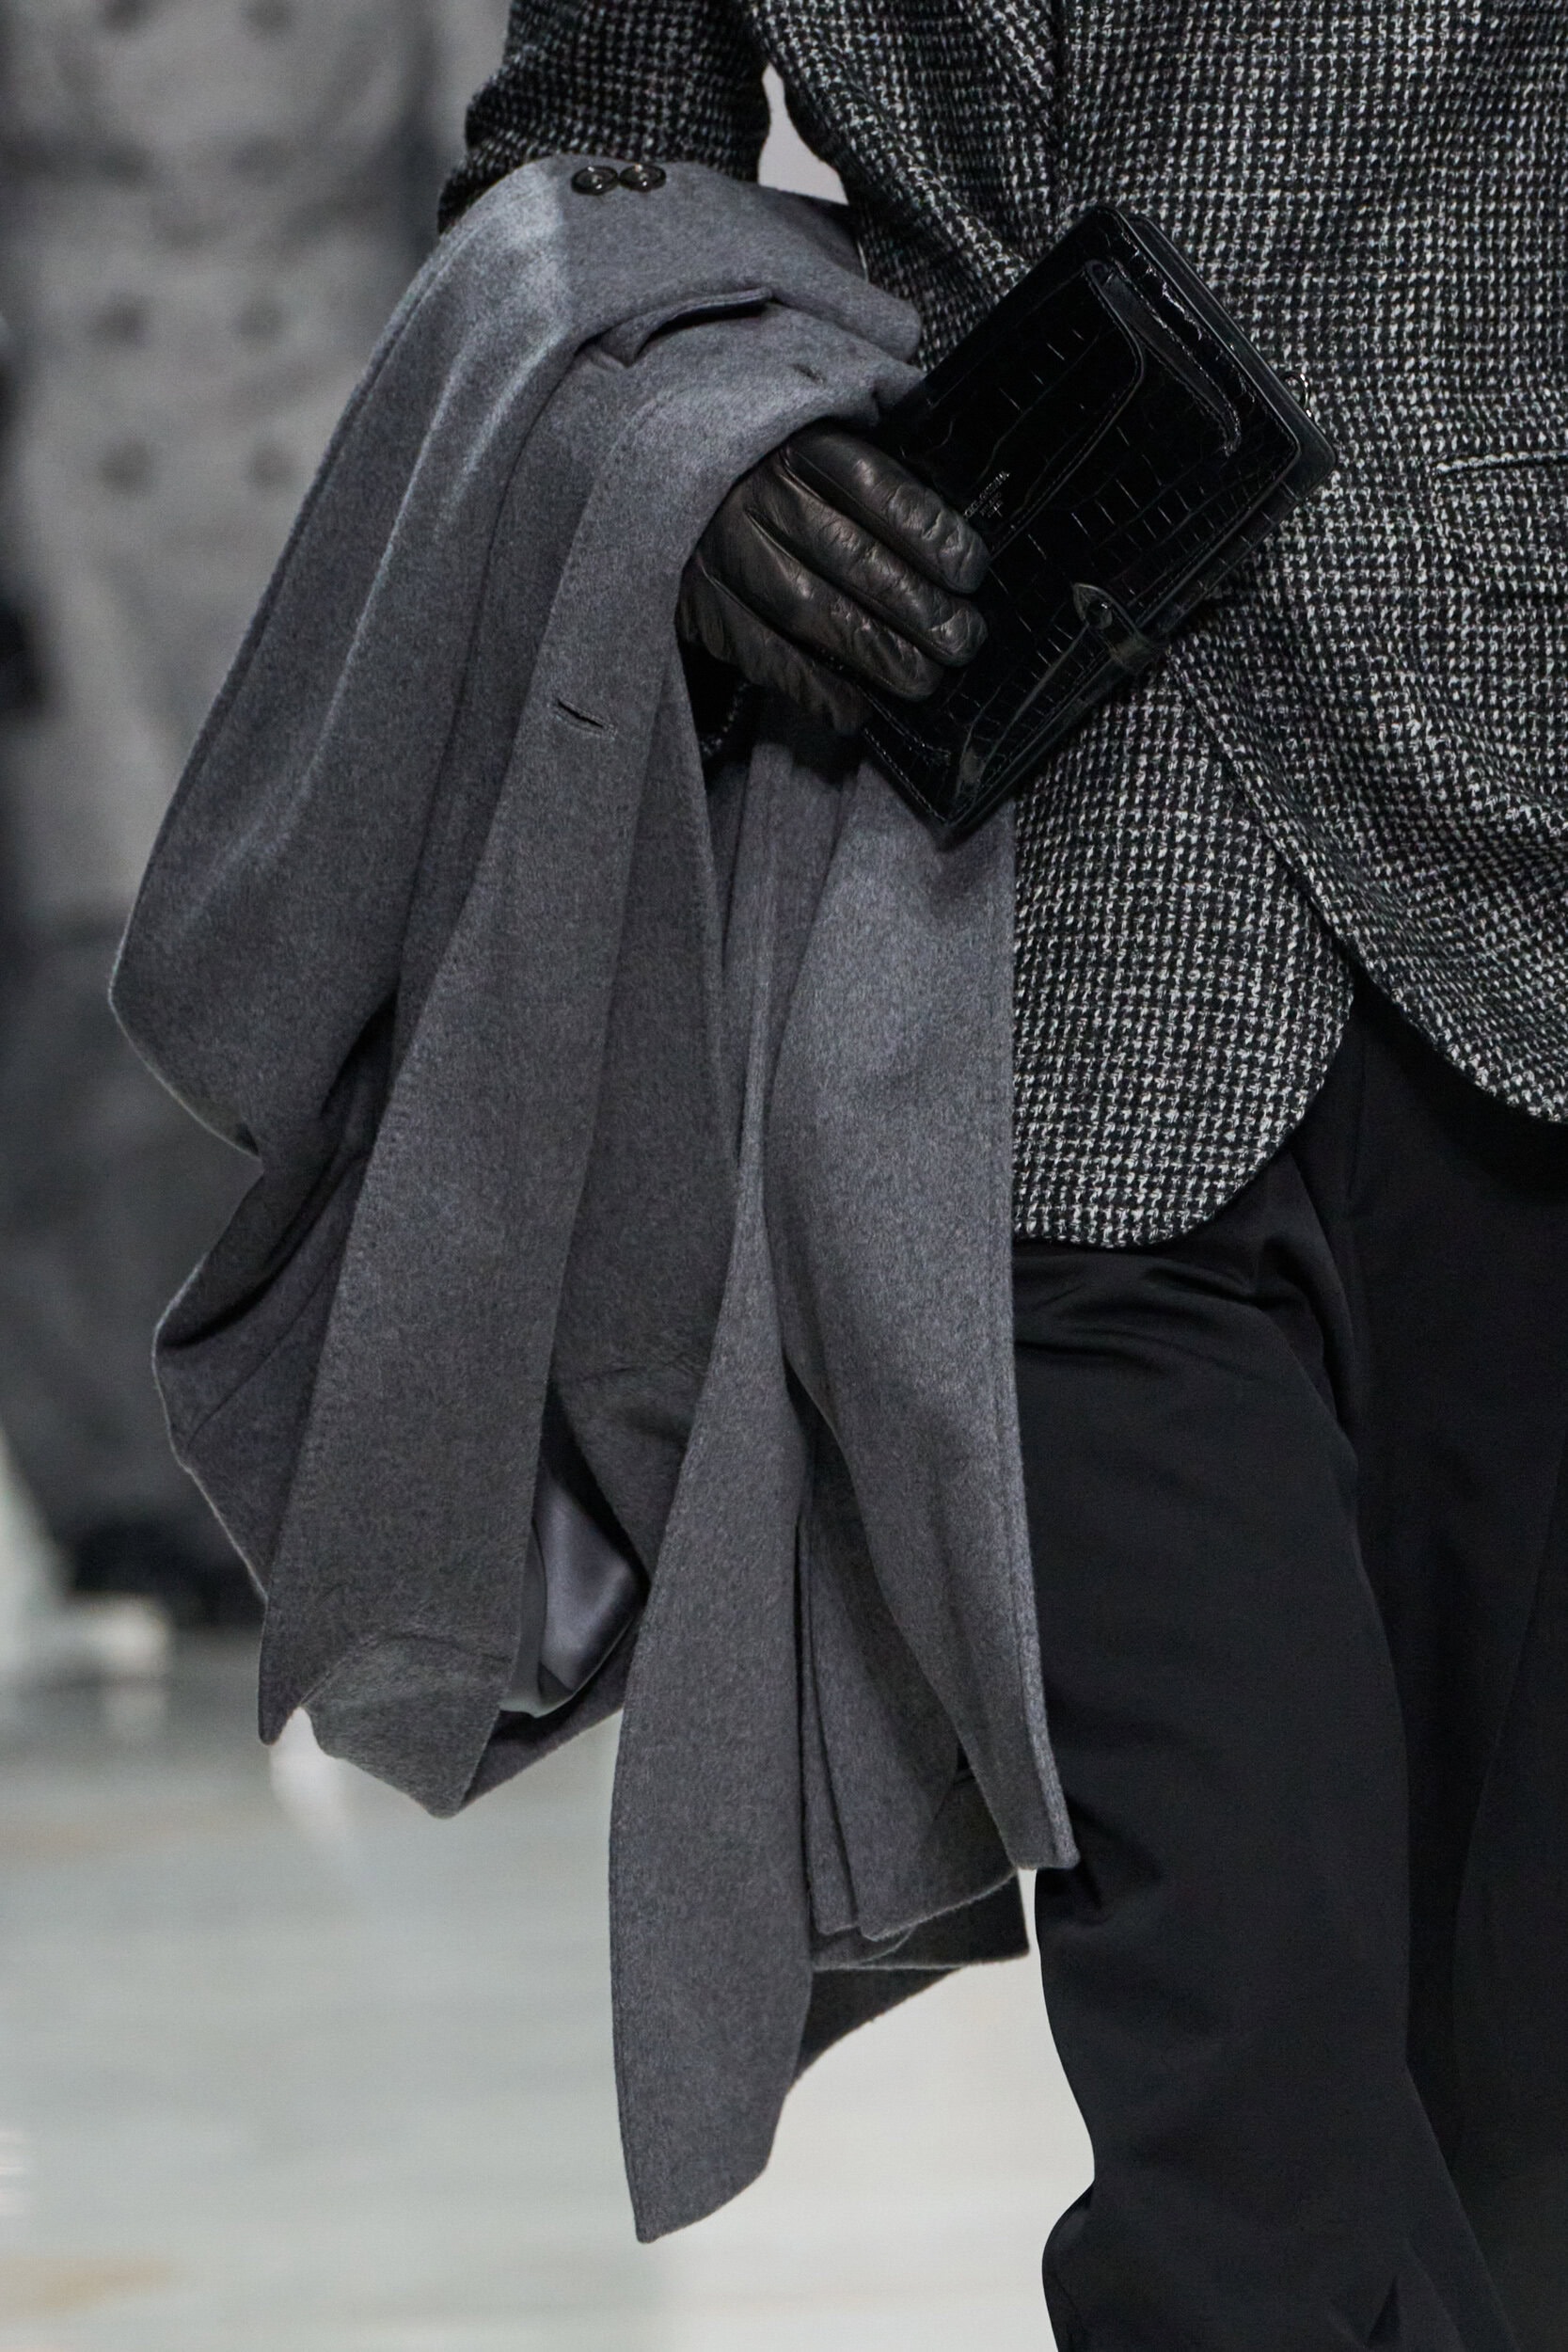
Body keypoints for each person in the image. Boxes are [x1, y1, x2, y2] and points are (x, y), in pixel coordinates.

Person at [437, 8, 1568, 2350]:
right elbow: (578, 173)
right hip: (1010, 920)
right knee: (1243, 2089)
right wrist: (698, 456)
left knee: (1528, 2086)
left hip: (1529, 863)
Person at [0, 0, 508, 1623]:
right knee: (91, 963)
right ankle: (113, 1470)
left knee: (329, 962)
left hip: (329, 415)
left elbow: (496, 154)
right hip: (73, 456)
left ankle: (313, 1459)